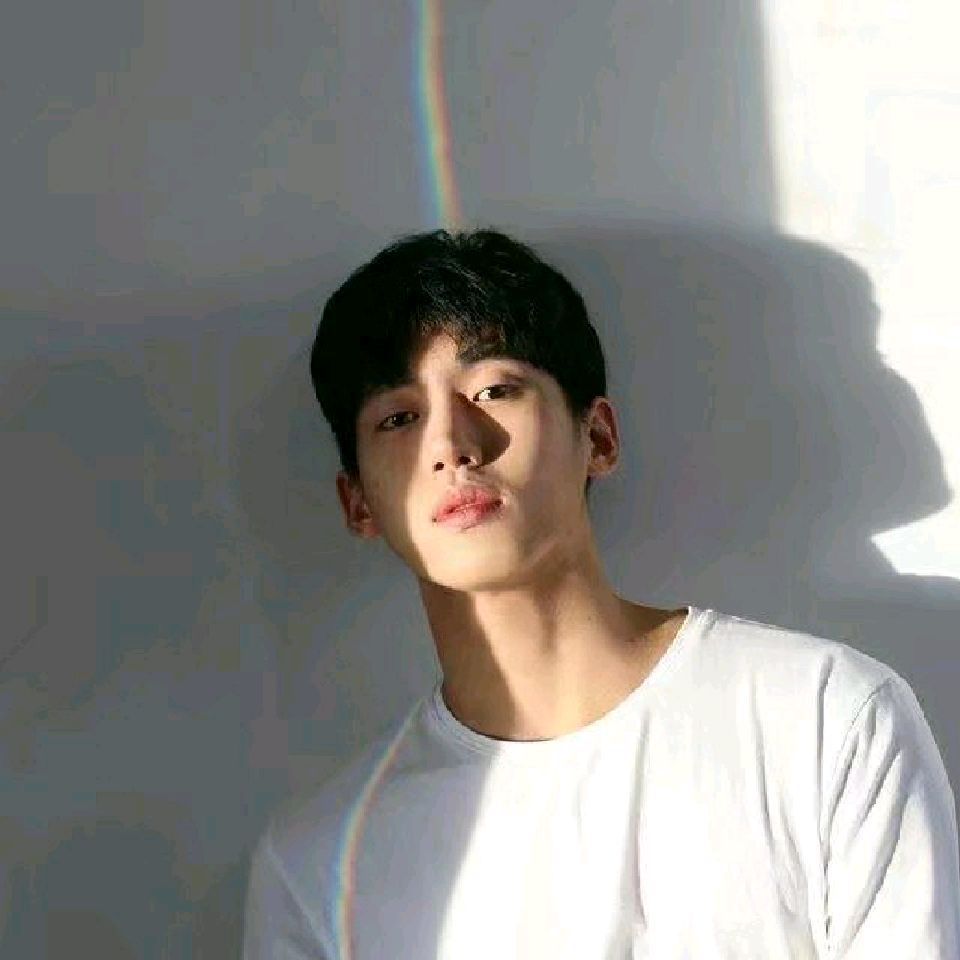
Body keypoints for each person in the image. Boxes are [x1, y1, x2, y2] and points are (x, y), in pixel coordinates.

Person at [241, 228, 960, 958]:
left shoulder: (826, 719)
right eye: (399, 418)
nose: (451, 445)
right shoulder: (319, 867)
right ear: (358, 502)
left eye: (493, 389)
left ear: (600, 436)